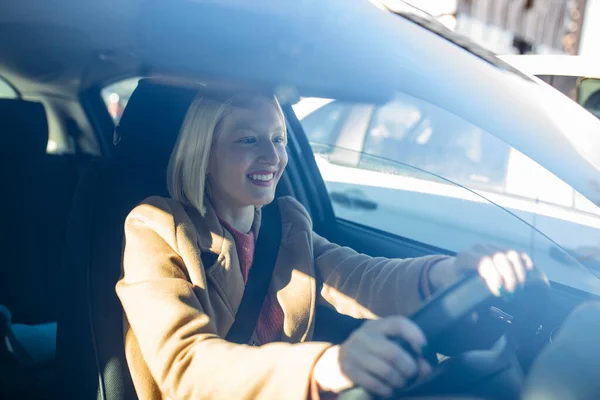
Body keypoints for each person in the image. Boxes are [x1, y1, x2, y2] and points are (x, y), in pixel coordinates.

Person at [116, 91, 535, 400]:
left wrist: (445, 273)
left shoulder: (287, 224)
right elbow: (185, 365)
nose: (272, 156)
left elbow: (358, 276)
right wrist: (326, 367)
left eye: (278, 139)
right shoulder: (155, 227)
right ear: (203, 152)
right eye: (248, 140)